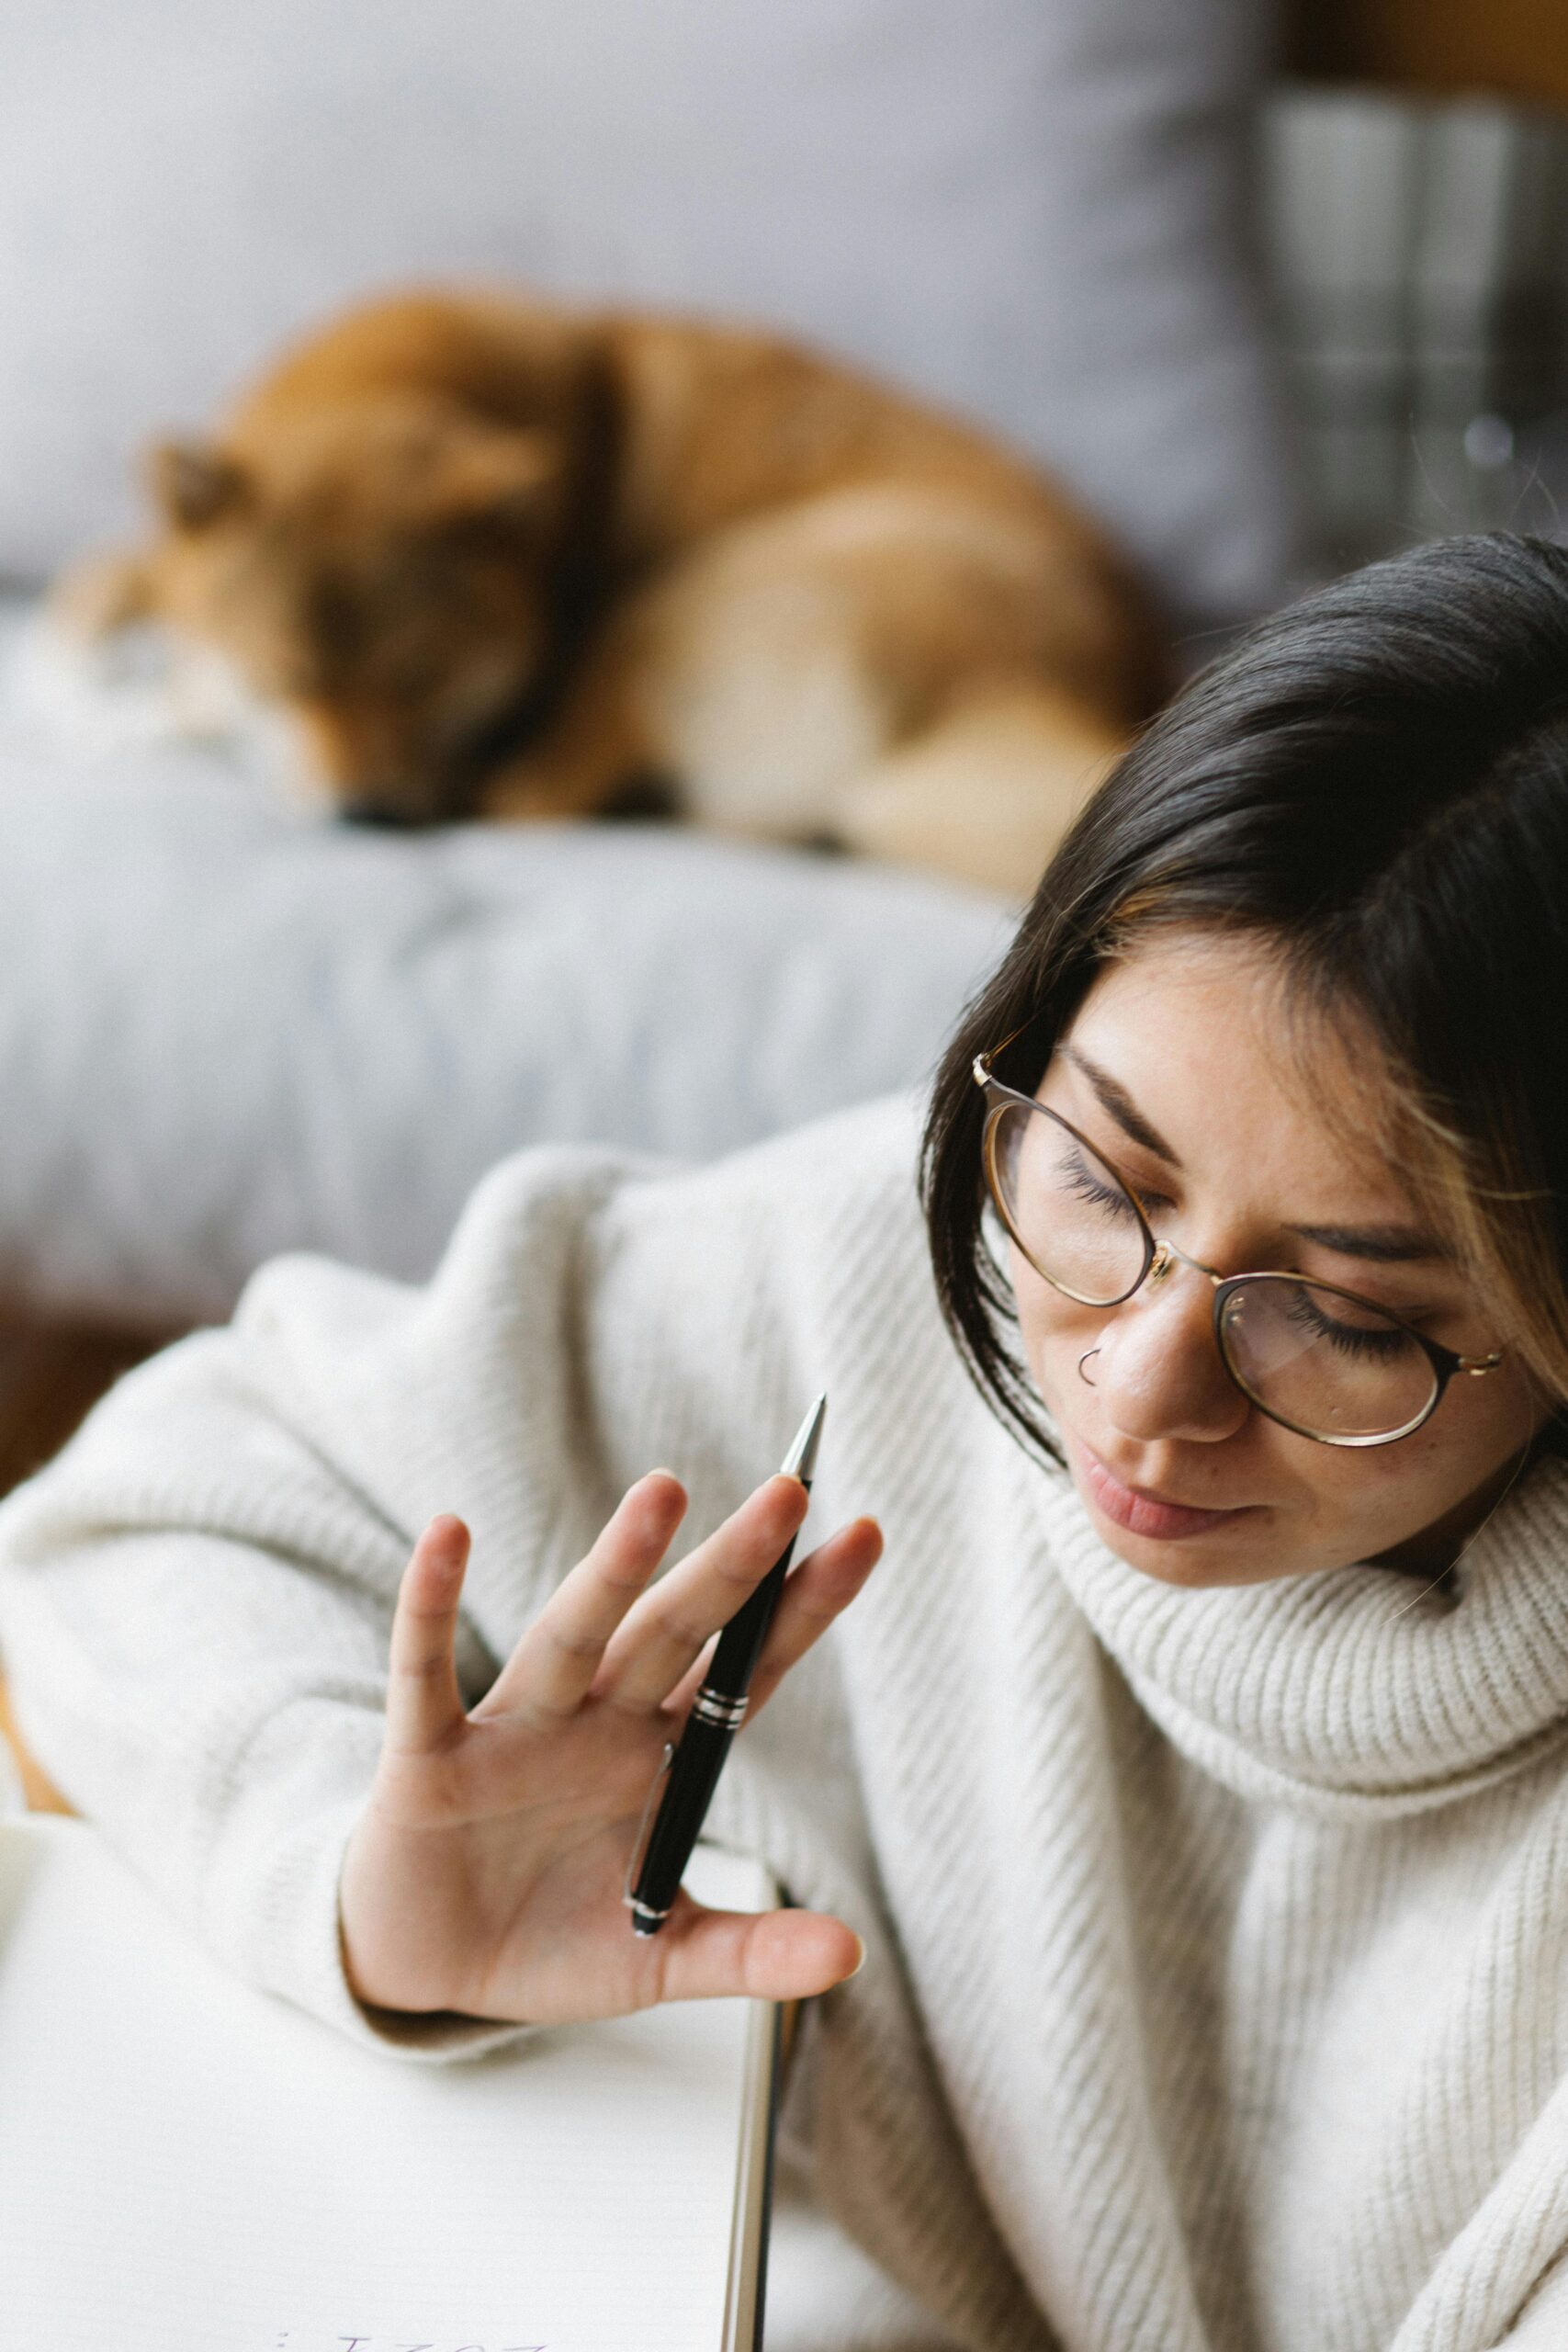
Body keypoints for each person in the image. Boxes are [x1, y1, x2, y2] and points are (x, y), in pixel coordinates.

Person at [5, 531, 1568, 2352]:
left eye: (1346, 1316)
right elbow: (144, 1509)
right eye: (1098, 1168)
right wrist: (350, 1871)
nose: (1136, 1390)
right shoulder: (862, 1279)